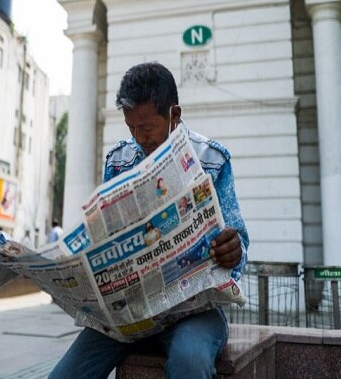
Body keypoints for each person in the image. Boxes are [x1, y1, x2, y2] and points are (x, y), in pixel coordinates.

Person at [49, 62, 248, 379]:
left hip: (193, 312)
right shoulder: (119, 162)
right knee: (66, 375)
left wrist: (233, 250)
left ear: (175, 115)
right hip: (131, 313)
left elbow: (239, 245)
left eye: (147, 128)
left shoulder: (212, 160)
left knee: (190, 362)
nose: (139, 138)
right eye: (131, 128)